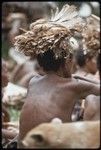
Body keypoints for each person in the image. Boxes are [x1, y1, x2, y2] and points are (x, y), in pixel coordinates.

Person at [14, 4, 100, 148]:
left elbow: (74, 80)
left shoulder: (33, 81)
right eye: (71, 60)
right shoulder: (73, 86)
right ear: (67, 61)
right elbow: (95, 87)